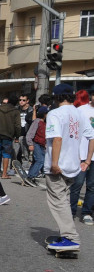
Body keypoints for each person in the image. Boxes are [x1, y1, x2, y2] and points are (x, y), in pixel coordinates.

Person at [45, 83, 94, 252]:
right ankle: (66, 235)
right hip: (73, 165)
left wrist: (54, 163)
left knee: (58, 203)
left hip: (59, 166)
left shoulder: (55, 114)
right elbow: (92, 136)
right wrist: (87, 160)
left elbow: (57, 138)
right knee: (64, 201)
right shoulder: (79, 113)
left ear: (56, 97)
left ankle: (70, 237)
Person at [70, 89, 94, 225]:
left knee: (92, 186)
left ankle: (86, 213)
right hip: (82, 155)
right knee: (77, 184)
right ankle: (71, 211)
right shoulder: (81, 110)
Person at [0, 96, 21, 178]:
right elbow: (18, 125)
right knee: (6, 154)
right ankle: (4, 174)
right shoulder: (16, 111)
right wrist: (17, 136)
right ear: (16, 103)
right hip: (8, 135)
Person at [25, 105, 48, 186]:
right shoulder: (37, 121)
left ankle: (30, 177)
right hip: (36, 143)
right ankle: (30, 177)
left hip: (42, 145)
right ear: (44, 114)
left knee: (36, 161)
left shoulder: (44, 123)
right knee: (40, 160)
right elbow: (30, 133)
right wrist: (30, 143)